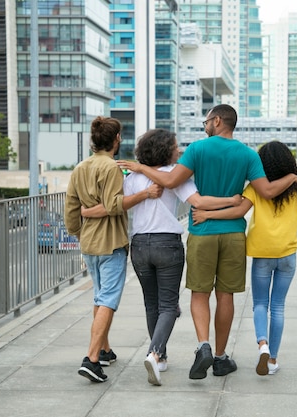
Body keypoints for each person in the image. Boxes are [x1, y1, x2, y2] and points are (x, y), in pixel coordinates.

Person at [117, 104, 297, 380]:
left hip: (202, 231)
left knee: (199, 293)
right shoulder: (248, 155)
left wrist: (140, 167)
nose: (204, 126)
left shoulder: (197, 150)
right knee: (225, 295)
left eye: (206, 121)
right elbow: (267, 190)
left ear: (217, 121)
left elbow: (169, 180)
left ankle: (203, 344)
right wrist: (292, 176)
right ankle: (220, 356)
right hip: (233, 235)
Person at [81, 128, 242, 386]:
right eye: (175, 146)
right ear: (165, 150)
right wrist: (232, 201)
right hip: (167, 244)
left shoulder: (131, 176)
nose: (178, 150)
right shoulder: (174, 175)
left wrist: (86, 211)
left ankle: (161, 356)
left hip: (140, 245)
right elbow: (198, 202)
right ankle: (154, 354)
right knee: (168, 305)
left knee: (151, 303)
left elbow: (115, 203)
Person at [192, 140, 297, 375]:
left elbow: (237, 211)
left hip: (262, 254)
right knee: (278, 307)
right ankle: (273, 359)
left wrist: (207, 215)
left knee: (259, 304)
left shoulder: (256, 188)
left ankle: (262, 343)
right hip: (287, 255)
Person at [64, 116, 162, 383]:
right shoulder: (111, 168)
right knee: (108, 300)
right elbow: (113, 204)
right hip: (111, 243)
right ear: (116, 139)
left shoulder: (80, 167)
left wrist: (78, 230)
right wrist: (145, 194)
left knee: (99, 297)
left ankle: (105, 350)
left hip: (89, 244)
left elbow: (71, 209)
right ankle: (91, 358)